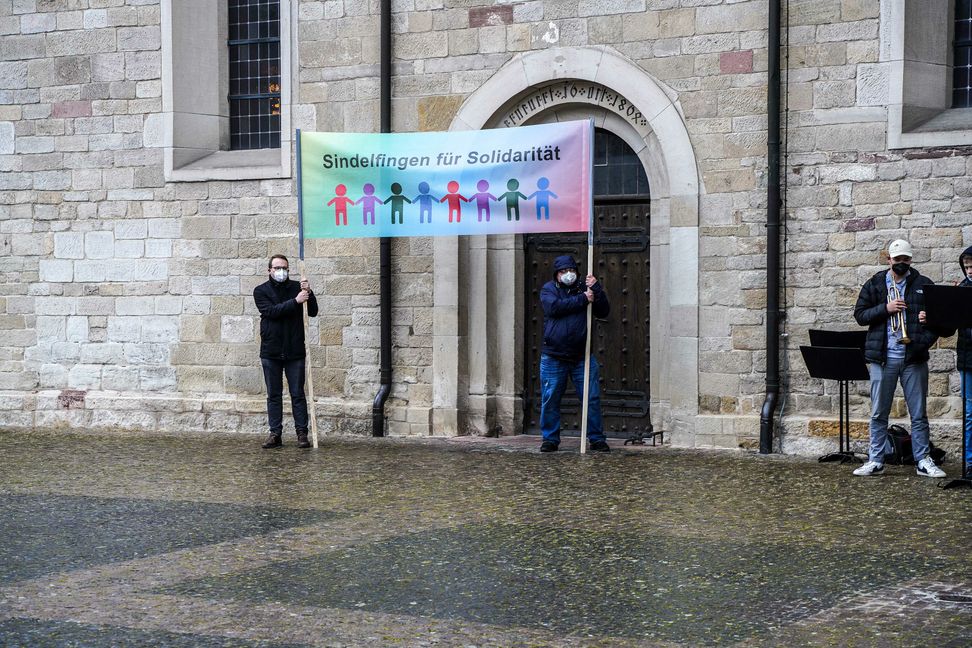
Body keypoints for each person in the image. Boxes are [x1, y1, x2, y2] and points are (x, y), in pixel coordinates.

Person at [852, 239, 947, 477]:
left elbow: (939, 322)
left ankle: (923, 459)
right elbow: (860, 315)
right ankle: (876, 459)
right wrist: (886, 308)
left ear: (910, 260)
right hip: (882, 359)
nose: (901, 263)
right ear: (889, 260)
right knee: (878, 413)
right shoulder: (874, 283)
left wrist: (928, 325)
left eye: (906, 259)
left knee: (918, 413)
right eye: (897, 260)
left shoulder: (924, 284)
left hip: (913, 357)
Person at [538, 254, 611, 452]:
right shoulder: (549, 289)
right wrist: (582, 299)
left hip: (582, 356)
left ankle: (596, 438)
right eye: (563, 272)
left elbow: (603, 311)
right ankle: (550, 439)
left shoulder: (585, 288)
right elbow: (554, 308)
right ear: (557, 275)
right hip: (554, 356)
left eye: (570, 271)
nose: (568, 274)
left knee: (591, 398)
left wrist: (596, 289)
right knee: (551, 398)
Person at [253, 255, 318, 449]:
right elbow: (271, 312)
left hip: (294, 350)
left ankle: (301, 433)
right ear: (270, 270)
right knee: (274, 394)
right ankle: (275, 433)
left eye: (284, 268)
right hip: (271, 351)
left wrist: (309, 293)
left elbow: (312, 311)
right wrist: (296, 301)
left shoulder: (297, 288)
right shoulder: (261, 291)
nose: (281, 271)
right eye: (277, 267)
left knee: (297, 393)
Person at [956, 245, 972, 477]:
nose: (970, 270)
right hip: (968, 360)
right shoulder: (961, 290)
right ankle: (970, 463)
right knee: (970, 413)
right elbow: (949, 328)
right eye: (967, 266)